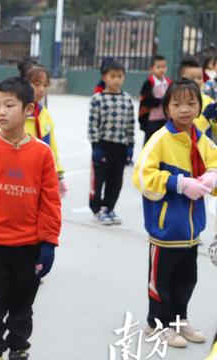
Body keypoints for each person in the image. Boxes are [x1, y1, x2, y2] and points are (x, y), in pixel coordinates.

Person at [0, 77, 61, 360]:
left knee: (23, 305)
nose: (1, 112)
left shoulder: (42, 153)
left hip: (29, 247)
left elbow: (50, 201)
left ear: (29, 108)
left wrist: (49, 242)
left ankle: (19, 347)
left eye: (9, 105)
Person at [132, 79, 216, 349]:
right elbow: (142, 176)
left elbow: (215, 161)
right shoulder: (160, 139)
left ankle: (179, 322)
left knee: (186, 280)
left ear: (199, 107)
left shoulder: (200, 139)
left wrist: (212, 176)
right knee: (161, 282)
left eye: (191, 103)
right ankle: (157, 325)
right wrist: (178, 183)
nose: (184, 109)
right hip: (166, 229)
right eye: (177, 103)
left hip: (191, 230)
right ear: (167, 107)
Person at [88, 60, 135, 225]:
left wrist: (130, 146)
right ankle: (97, 209)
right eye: (112, 76)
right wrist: (95, 146)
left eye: (120, 76)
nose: (116, 80)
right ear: (104, 77)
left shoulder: (127, 99)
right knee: (100, 179)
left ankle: (109, 207)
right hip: (103, 145)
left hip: (120, 146)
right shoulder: (98, 99)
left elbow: (130, 124)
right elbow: (93, 124)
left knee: (116, 180)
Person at [23, 65, 67, 197]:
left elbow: (52, 146)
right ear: (26, 84)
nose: (41, 89)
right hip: (22, 173)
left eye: (45, 85)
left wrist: (58, 173)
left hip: (42, 173)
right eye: (37, 84)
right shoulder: (18, 111)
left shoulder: (44, 114)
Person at [139, 55, 172, 143]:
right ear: (152, 69)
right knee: (151, 142)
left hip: (165, 118)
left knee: (164, 141)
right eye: (158, 67)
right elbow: (145, 100)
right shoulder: (148, 83)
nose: (161, 69)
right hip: (151, 120)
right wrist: (159, 101)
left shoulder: (169, 82)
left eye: (163, 67)